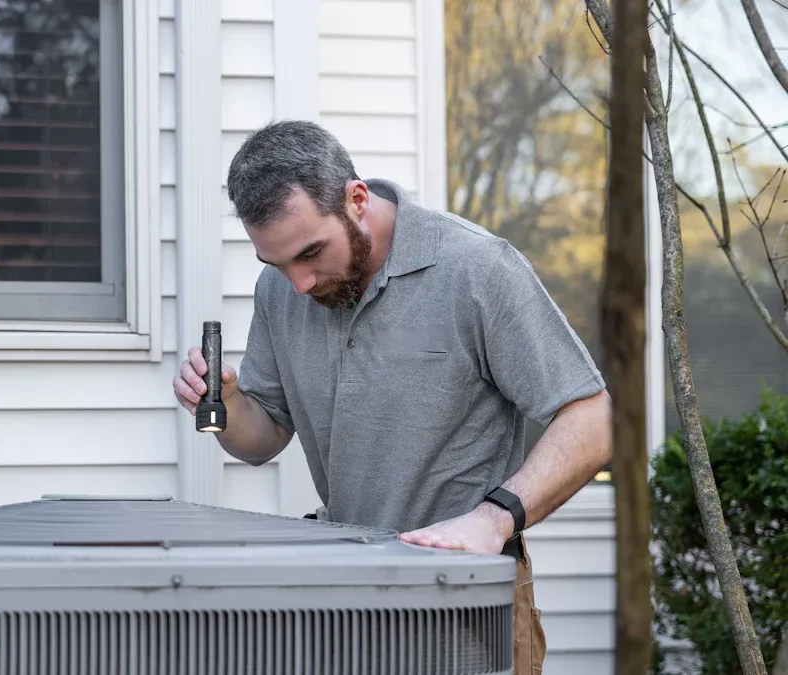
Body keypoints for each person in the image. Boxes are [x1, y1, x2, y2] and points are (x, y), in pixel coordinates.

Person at [172, 120, 612, 673]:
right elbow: (263, 438)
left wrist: (494, 519)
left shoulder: (476, 268)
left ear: (356, 200)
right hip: (347, 600)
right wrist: (228, 404)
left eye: (310, 253)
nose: (299, 283)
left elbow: (593, 418)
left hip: (465, 599)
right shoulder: (280, 292)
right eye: (277, 264)